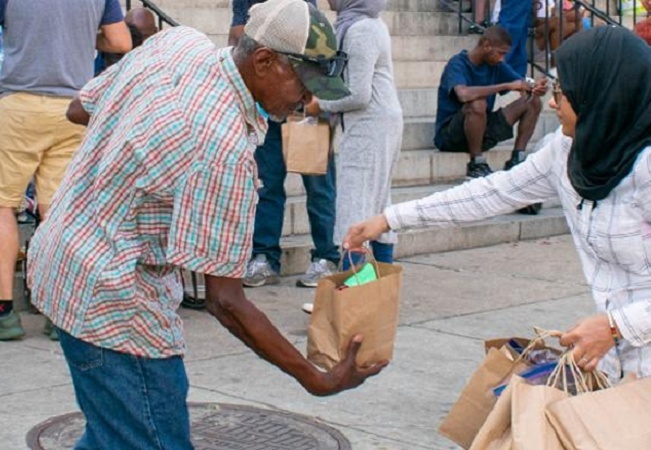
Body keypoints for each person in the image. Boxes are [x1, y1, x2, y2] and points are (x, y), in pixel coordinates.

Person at [344, 26, 651, 449]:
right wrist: (390, 218)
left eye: (565, 91)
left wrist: (617, 326)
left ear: (603, 92)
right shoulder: (570, 150)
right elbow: (494, 191)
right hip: (634, 366)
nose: (552, 101)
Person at [26, 1, 385, 447]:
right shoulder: (222, 147)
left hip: (62, 262)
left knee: (113, 435)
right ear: (264, 60)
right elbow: (227, 301)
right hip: (113, 304)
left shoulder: (179, 42)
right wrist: (315, 378)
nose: (306, 99)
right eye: (304, 81)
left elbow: (80, 109)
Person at [0, 0, 131, 341]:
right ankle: (56, 312)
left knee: (3, 207)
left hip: (18, 102)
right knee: (59, 212)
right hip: (75, 107)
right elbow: (121, 42)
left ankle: (4, 314)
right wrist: (89, 39)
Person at [229, 0, 340, 289]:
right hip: (268, 101)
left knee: (319, 187)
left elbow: (311, 43)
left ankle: (326, 256)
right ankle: (264, 256)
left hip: (305, 101)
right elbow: (238, 36)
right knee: (266, 183)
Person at [305, 0, 402, 272]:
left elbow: (358, 95)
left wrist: (319, 105)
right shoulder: (369, 23)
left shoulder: (360, 30)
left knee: (354, 209)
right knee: (378, 206)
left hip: (369, 125)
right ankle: (378, 285)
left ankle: (353, 289)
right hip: (380, 122)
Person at [435, 26, 546, 179]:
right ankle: (476, 163)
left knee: (532, 101)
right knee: (477, 103)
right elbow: (463, 94)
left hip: (483, 131)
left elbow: (520, 82)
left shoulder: (496, 66)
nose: (502, 59)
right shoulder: (458, 63)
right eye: (500, 53)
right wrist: (506, 85)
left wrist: (536, 87)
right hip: (451, 136)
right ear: (486, 45)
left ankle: (517, 158)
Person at [96, 8, 158, 74]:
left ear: (155, 32)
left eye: (144, 35)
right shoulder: (111, 51)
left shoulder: (158, 57)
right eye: (132, 34)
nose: (138, 40)